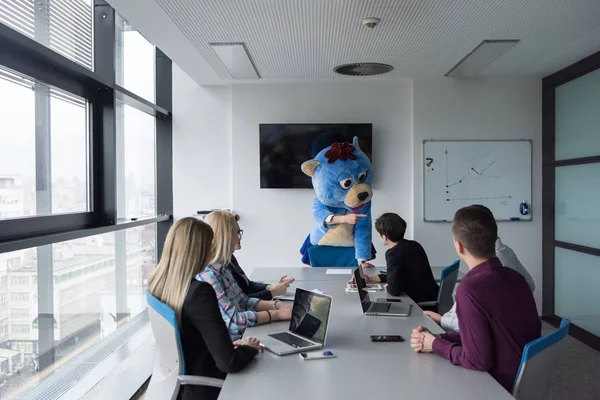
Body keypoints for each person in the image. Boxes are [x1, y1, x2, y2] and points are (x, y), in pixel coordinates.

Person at [410, 206, 541, 392]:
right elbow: (488, 334)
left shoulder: (470, 289)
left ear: (459, 246)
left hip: (497, 385)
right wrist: (441, 338)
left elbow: (478, 360)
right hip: (525, 377)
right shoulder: (515, 277)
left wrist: (436, 345)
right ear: (494, 239)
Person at [148, 217, 261, 400]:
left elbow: (190, 339)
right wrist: (250, 348)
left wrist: (229, 347)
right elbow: (229, 363)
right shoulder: (199, 293)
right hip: (205, 385)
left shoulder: (159, 284)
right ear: (200, 252)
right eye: (210, 246)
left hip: (180, 382)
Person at [424, 205, 536, 332]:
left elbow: (473, 327)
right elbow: (530, 285)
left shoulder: (474, 285)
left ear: (458, 246)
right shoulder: (507, 254)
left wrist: (440, 326)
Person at [199, 211, 293, 340]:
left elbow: (244, 301)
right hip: (235, 341)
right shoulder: (208, 276)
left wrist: (277, 305)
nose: (240, 237)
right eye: (236, 233)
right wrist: (276, 314)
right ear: (225, 237)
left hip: (246, 333)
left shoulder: (223, 268)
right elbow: (233, 321)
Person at [350, 213, 439, 302]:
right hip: (431, 297)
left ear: (384, 236)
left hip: (419, 305)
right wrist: (370, 278)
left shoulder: (393, 253)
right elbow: (396, 275)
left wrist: (388, 287)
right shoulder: (414, 245)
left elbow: (394, 290)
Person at [228, 214, 295, 300]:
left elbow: (248, 285)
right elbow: (240, 301)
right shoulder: (221, 267)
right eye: (236, 233)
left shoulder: (230, 257)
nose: (240, 236)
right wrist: (272, 292)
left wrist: (271, 287)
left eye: (240, 232)